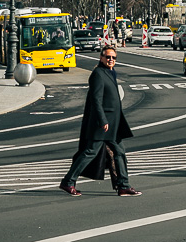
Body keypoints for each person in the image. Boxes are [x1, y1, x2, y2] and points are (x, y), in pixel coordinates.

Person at [59, 46, 141, 197]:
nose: (111, 60)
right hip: (103, 123)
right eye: (108, 57)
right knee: (90, 152)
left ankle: (123, 185)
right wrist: (102, 120)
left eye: (113, 58)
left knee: (120, 152)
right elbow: (96, 100)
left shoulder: (110, 72)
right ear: (101, 57)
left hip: (113, 123)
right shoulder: (98, 74)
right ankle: (68, 182)